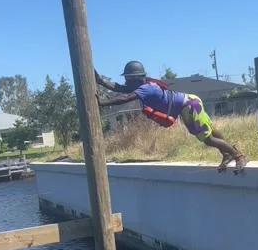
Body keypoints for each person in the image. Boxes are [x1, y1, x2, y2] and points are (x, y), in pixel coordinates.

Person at [95, 60, 248, 173]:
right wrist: (101, 81)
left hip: (188, 105)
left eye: (127, 79)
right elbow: (120, 88)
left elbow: (124, 97)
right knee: (210, 131)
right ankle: (226, 154)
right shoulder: (143, 85)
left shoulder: (146, 89)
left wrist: (102, 103)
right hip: (188, 103)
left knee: (207, 139)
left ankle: (238, 155)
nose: (125, 82)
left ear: (133, 79)